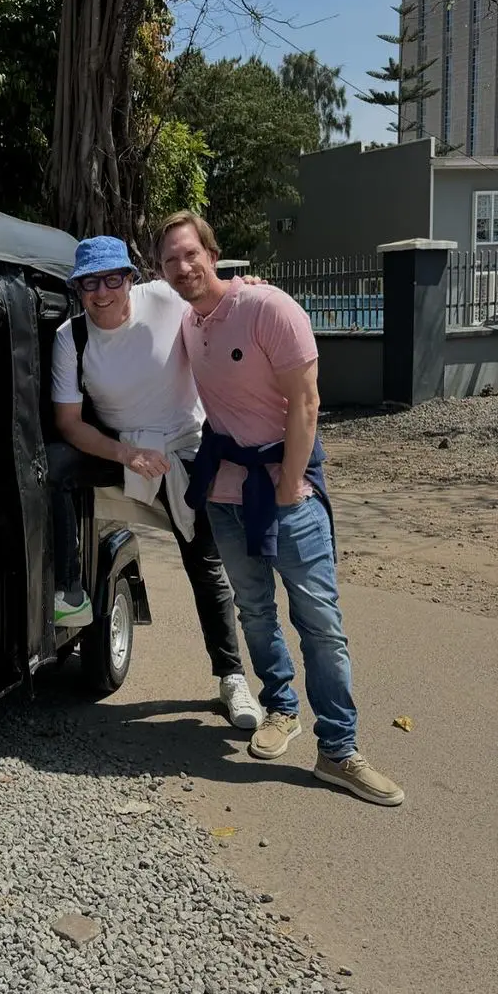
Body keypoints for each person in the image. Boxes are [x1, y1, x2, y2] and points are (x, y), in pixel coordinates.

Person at [154, 210, 404, 806]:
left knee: (320, 624)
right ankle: (280, 709)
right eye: (170, 260)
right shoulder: (189, 323)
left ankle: (339, 750)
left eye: (191, 254)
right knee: (255, 611)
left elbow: (307, 402)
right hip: (224, 496)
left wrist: (293, 482)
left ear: (212, 253)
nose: (183, 267)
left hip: (286, 494)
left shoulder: (270, 308)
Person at [49, 235, 264, 731]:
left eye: (111, 279)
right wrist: (126, 452)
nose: (102, 293)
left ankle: (232, 677)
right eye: (89, 283)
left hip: (184, 448)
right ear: (78, 289)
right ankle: (70, 588)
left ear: (130, 278)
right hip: (121, 448)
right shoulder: (71, 338)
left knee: (204, 562)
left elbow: (222, 298)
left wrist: (248, 287)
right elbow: (69, 424)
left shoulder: (165, 299)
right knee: (55, 466)